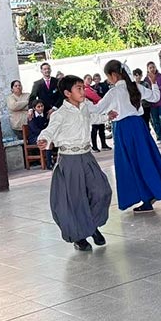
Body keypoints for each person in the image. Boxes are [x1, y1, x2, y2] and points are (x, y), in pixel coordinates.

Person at [36, 75, 113, 251]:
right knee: (75, 199)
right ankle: (79, 237)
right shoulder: (60, 114)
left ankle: (91, 226)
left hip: (87, 156)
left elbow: (92, 118)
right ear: (67, 93)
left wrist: (107, 117)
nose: (83, 91)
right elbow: (49, 130)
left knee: (102, 191)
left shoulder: (84, 107)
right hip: (69, 159)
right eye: (78, 88)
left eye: (82, 88)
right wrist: (44, 139)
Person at [95, 60, 161, 212]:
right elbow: (155, 97)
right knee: (146, 160)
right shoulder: (136, 87)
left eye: (107, 76)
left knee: (131, 164)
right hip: (139, 126)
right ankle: (154, 191)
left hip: (123, 129)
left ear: (113, 75)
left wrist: (82, 102)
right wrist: (154, 83)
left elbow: (97, 109)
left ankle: (146, 198)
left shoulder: (114, 92)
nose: (108, 80)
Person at [88, 74, 111, 151]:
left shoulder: (103, 86)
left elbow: (107, 95)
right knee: (94, 128)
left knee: (102, 128)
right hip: (94, 109)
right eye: (95, 79)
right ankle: (94, 146)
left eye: (98, 79)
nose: (96, 80)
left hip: (102, 109)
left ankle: (104, 145)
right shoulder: (91, 88)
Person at [28, 100, 54, 169]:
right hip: (34, 137)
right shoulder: (31, 116)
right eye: (38, 107)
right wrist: (45, 133)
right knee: (47, 141)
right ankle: (49, 163)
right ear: (34, 108)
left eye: (42, 106)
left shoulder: (46, 115)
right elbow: (35, 130)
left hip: (45, 135)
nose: (41, 108)